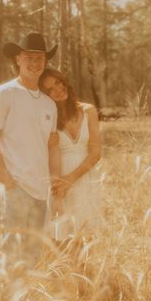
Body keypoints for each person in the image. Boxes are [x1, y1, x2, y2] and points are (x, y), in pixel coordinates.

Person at [0, 32, 60, 264]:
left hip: (39, 189)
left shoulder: (49, 104)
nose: (34, 63)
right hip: (14, 187)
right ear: (18, 59)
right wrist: (8, 182)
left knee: (33, 253)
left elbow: (51, 148)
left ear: (45, 62)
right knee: (12, 253)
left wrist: (53, 187)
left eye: (39, 58)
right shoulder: (4, 94)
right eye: (29, 57)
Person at [39, 68, 102, 241]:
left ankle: (86, 268)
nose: (58, 89)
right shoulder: (47, 118)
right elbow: (49, 156)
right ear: (45, 95)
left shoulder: (88, 110)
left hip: (85, 177)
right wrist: (59, 189)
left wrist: (71, 179)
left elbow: (96, 152)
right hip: (58, 181)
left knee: (86, 236)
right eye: (50, 89)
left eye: (58, 82)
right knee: (61, 236)